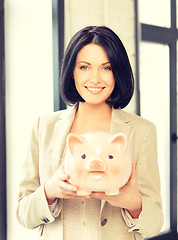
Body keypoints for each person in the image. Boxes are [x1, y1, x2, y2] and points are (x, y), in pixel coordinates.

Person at [16, 26, 164, 240]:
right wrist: (49, 191)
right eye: (85, 67)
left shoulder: (141, 131)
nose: (95, 79)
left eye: (106, 68)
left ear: (118, 72)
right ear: (72, 71)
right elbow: (23, 214)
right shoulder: (44, 126)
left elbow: (155, 223)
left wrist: (133, 202)